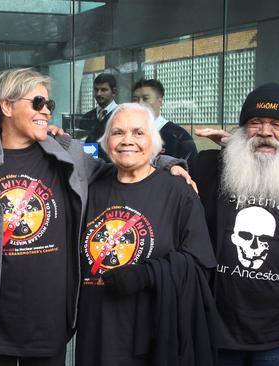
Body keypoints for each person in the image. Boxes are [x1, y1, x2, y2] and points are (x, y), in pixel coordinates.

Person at [0, 68, 102, 365]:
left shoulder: (67, 153)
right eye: (37, 103)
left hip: (48, 322)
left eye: (49, 105)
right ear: (6, 106)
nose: (46, 111)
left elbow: (122, 169)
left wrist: (169, 162)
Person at [191, 83, 279, 365]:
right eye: (255, 123)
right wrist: (171, 164)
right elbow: (154, 167)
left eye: (277, 124)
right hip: (216, 333)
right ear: (242, 131)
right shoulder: (208, 169)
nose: (265, 132)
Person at [75, 103, 217, 366]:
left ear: (154, 143)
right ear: (107, 142)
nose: (127, 140)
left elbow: (200, 265)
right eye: (118, 133)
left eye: (138, 133)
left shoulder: (178, 192)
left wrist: (148, 274)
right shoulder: (91, 189)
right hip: (96, 334)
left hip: (154, 339)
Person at [132, 79, 198, 166]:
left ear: (160, 101)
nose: (139, 103)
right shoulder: (128, 134)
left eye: (145, 98)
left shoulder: (178, 137)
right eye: (135, 99)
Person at [83, 73, 118, 162]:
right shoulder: (86, 117)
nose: (98, 94)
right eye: (96, 90)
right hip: (89, 167)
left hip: (113, 169)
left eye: (103, 90)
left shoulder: (121, 116)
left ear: (113, 92)